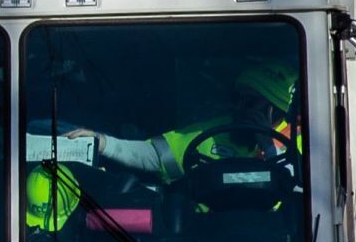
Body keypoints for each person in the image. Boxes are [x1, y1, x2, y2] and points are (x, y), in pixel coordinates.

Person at [26, 61, 303, 231]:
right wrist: (103, 143)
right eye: (241, 99)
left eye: (254, 103)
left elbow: (302, 191)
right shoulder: (211, 131)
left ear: (277, 109)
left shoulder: (299, 143)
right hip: (205, 240)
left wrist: (267, 143)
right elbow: (153, 156)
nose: (242, 109)